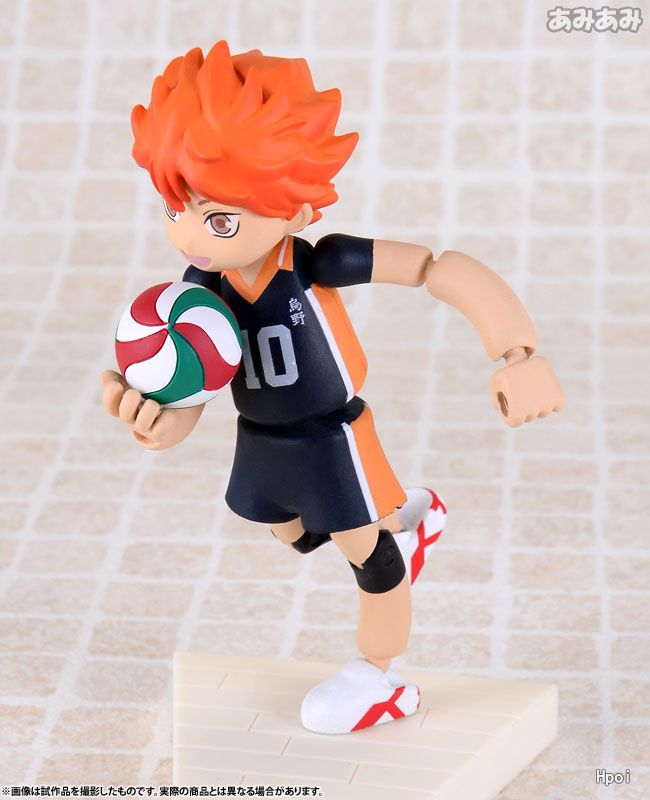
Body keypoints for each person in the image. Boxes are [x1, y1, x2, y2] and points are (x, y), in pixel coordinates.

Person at [100, 41, 564, 735]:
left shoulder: (317, 262)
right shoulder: (198, 294)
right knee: (292, 534)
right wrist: (152, 419)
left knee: (364, 555)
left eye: (219, 218)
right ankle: (408, 522)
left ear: (292, 209)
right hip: (261, 437)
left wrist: (515, 351)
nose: (192, 235)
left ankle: (380, 677)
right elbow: (194, 395)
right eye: (175, 209)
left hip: (331, 433)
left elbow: (436, 268)